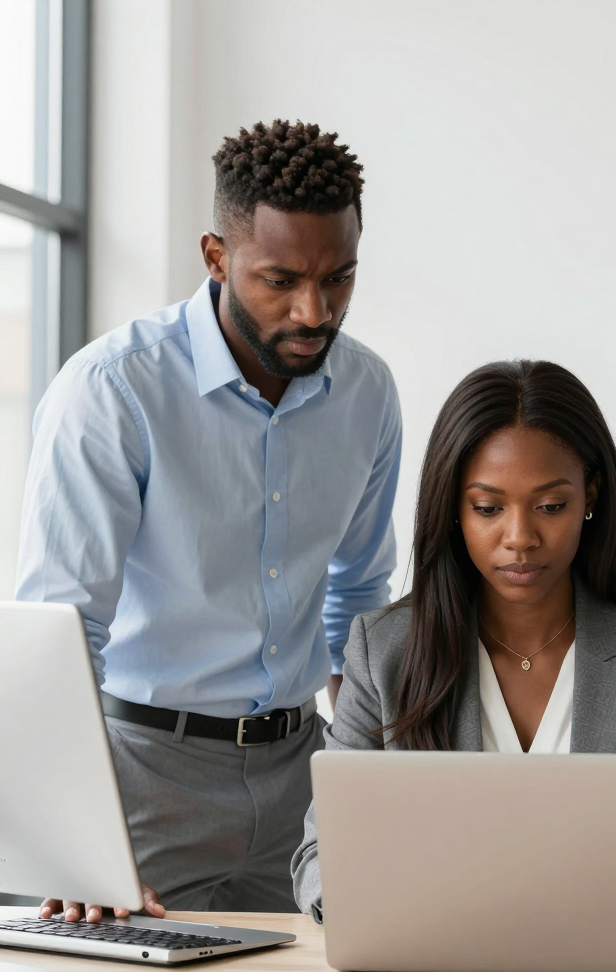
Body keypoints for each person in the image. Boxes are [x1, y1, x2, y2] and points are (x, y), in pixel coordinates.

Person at [18, 120, 401, 919]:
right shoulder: (113, 392)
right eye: (281, 279)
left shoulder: (367, 393)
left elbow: (359, 594)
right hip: (144, 775)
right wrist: (72, 838)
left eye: (339, 279)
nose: (314, 311)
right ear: (217, 257)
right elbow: (62, 628)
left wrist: (370, 776)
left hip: (303, 772)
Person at [292, 359, 616, 930]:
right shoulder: (383, 649)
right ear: (452, 508)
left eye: (551, 506)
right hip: (430, 968)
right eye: (488, 508)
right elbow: (320, 856)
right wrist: (375, 908)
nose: (520, 538)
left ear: (591, 497)